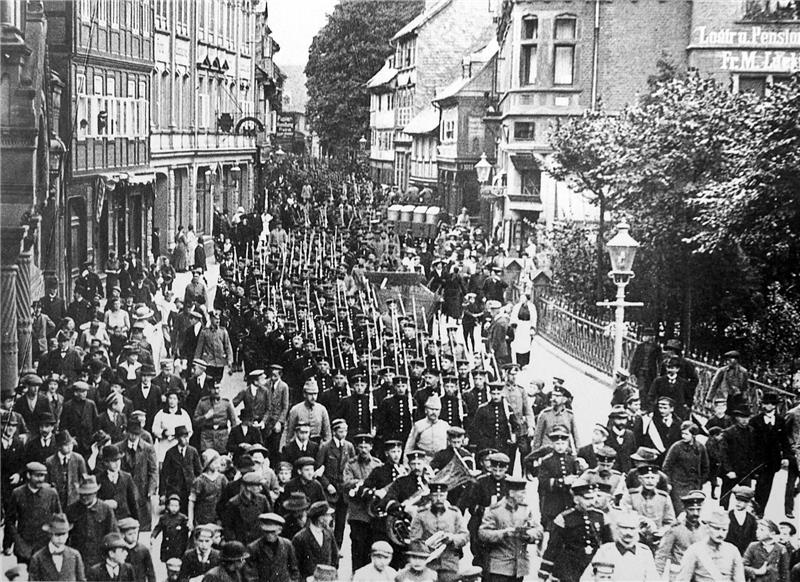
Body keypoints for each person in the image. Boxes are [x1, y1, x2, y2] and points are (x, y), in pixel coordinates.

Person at [539, 479, 614, 582]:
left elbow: (609, 546)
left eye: (593, 498)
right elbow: (553, 548)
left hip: (593, 566)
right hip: (569, 568)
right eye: (587, 499)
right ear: (576, 500)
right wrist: (544, 573)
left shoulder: (601, 517)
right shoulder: (564, 518)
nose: (591, 502)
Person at [478, 476, 542, 582]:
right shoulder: (495, 511)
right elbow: (483, 534)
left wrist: (528, 534)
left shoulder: (525, 510)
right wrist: (505, 533)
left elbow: (539, 530)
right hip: (499, 567)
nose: (524, 496)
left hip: (520, 567)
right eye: (521, 493)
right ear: (511, 493)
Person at [409, 482, 469, 582]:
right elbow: (414, 540)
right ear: (430, 497)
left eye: (442, 495)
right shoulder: (421, 515)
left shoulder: (454, 513)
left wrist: (451, 538)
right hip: (428, 564)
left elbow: (465, 536)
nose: (439, 499)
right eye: (435, 495)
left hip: (449, 563)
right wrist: (428, 548)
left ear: (446, 495)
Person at [4, 461, 62, 564]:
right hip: (24, 546)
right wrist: (17, 541)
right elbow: (10, 521)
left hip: (45, 545)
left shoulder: (51, 493)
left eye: (43, 476)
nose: (41, 479)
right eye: (37, 476)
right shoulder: (18, 493)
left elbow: (59, 519)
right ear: (28, 475)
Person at [343, 433, 383, 571]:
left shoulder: (377, 465)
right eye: (361, 446)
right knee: (357, 548)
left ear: (371, 447)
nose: (364, 450)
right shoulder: (351, 464)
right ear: (357, 448)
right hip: (358, 513)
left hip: (373, 514)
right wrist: (364, 485)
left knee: (371, 548)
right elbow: (347, 483)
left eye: (366, 446)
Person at [580, 511, 658, 581]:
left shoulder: (644, 552)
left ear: (638, 530)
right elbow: (587, 579)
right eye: (624, 528)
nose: (628, 533)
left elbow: (653, 579)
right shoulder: (606, 551)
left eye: (632, 528)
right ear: (616, 529)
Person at [316, 418, 355, 547]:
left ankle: (338, 547)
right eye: (341, 430)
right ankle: (328, 546)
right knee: (328, 520)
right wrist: (327, 485)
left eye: (345, 430)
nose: (344, 433)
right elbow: (319, 470)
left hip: (343, 491)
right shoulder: (325, 447)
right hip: (330, 491)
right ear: (334, 431)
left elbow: (353, 466)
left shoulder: (349, 447)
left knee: (341, 522)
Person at [66, 475, 118, 571]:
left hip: (99, 560)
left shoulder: (106, 510)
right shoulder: (72, 510)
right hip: (78, 559)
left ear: (95, 493)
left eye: (88, 494)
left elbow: (113, 535)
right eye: (82, 494)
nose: (84, 497)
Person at [677, 509, 745, 582]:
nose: (720, 534)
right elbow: (683, 579)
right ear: (707, 528)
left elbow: (739, 579)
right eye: (716, 529)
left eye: (724, 530)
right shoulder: (695, 550)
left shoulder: (732, 550)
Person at [750, 392, 790, 516]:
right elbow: (750, 441)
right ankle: (755, 509)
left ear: (775, 406)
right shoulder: (755, 420)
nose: (768, 406)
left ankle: (761, 511)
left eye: (771, 404)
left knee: (767, 485)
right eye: (766, 403)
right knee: (759, 484)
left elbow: (784, 440)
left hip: (773, 460)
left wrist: (786, 456)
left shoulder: (780, 421)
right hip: (758, 459)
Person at [115, 419, 158, 531]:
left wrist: (151, 489)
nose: (133, 436)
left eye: (136, 434)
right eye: (131, 433)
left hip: (142, 491)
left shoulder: (148, 449)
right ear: (127, 432)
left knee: (143, 524)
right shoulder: (119, 447)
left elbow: (153, 470)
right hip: (123, 491)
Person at [655, 490, 707, 580]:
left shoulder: (705, 530)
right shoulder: (675, 530)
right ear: (685, 509)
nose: (695, 513)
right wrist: (656, 577)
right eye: (691, 509)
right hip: (679, 576)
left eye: (698, 509)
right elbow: (661, 556)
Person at [662, 421, 709, 514]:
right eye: (682, 433)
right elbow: (666, 467)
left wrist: (700, 481)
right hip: (678, 486)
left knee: (693, 511)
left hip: (694, 487)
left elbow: (706, 467)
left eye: (686, 434)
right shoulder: (676, 447)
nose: (683, 436)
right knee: (681, 512)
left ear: (694, 435)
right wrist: (669, 483)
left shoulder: (700, 448)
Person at [28, 513, 85, 582]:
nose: (61, 538)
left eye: (64, 534)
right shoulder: (38, 558)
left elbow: (81, 580)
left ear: (68, 534)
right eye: (57, 535)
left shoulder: (75, 555)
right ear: (50, 534)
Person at [244, 512, 300, 582]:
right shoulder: (253, 548)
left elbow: (294, 568)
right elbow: (250, 575)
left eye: (272, 532)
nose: (269, 535)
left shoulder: (287, 544)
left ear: (279, 530)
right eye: (266, 532)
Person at [292, 500, 339, 580]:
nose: (331, 518)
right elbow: (294, 566)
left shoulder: (329, 533)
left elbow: (335, 556)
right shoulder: (300, 538)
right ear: (320, 518)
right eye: (328, 515)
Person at [720, 407, 757, 508]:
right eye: (742, 417)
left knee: (745, 496)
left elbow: (754, 451)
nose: (745, 420)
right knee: (725, 496)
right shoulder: (729, 432)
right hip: (732, 470)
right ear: (737, 418)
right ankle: (722, 515)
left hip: (746, 471)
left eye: (747, 418)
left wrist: (753, 469)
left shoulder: (752, 431)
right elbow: (723, 453)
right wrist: (728, 470)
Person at [221, 472, 270, 545]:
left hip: (259, 541)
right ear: (248, 487)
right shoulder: (234, 503)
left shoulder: (262, 500)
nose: (261, 488)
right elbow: (228, 527)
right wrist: (234, 543)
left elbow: (268, 520)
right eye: (258, 486)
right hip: (242, 542)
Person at [45, 429, 87, 509]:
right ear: (59, 447)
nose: (69, 447)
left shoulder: (78, 459)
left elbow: (84, 479)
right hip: (57, 500)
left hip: (74, 500)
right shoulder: (50, 461)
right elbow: (47, 482)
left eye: (71, 444)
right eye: (66, 445)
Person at [188, 449, 228, 529]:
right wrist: (190, 520)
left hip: (218, 517)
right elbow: (192, 501)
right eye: (215, 463)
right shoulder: (199, 481)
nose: (217, 465)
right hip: (202, 518)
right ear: (208, 464)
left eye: (218, 463)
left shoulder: (222, 478)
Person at [405, 394, 450, 459]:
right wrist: (406, 463)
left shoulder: (445, 426)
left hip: (441, 460)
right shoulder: (419, 425)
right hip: (424, 459)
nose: (434, 412)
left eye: (436, 410)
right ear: (426, 410)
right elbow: (409, 445)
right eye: (431, 409)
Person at [628, 327, 662, 410]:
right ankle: (642, 406)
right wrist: (632, 371)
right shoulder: (640, 346)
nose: (646, 337)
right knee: (642, 389)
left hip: (651, 372)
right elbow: (635, 359)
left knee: (650, 389)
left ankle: (649, 407)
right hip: (640, 371)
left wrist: (659, 373)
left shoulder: (657, 348)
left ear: (651, 337)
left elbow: (659, 361)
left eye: (648, 336)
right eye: (645, 336)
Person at [195, 311, 233, 382]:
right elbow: (199, 348)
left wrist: (230, 360)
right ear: (211, 319)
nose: (218, 321)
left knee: (218, 380)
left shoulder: (223, 331)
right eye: (215, 319)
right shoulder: (204, 332)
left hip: (220, 362)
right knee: (209, 380)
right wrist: (196, 360)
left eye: (219, 319)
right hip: (209, 362)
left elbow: (228, 347)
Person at [150, 494, 189, 563]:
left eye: (176, 506)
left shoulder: (183, 518)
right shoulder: (164, 518)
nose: (174, 508)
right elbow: (158, 528)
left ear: (179, 506)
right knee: (167, 562)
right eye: (172, 505)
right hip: (167, 545)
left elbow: (188, 529)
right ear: (168, 506)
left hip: (179, 546)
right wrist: (153, 536)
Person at [117, 518, 155, 582]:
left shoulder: (143, 550)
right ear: (123, 535)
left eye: (135, 533)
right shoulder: (120, 551)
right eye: (130, 534)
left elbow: (150, 572)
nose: (133, 536)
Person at [726, 486, 758, 555]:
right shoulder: (726, 516)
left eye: (743, 500)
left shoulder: (752, 520)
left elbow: (754, 540)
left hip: (745, 555)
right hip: (728, 554)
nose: (739, 503)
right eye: (737, 499)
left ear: (748, 502)